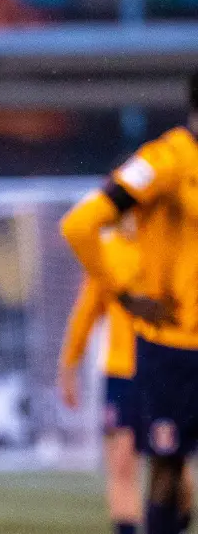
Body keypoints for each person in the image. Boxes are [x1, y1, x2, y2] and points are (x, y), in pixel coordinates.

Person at [60, 74, 198, 534]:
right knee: (160, 470)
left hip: (172, 352)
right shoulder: (165, 161)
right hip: (169, 350)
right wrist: (123, 294)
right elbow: (81, 225)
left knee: (174, 477)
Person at [58, 230, 152, 534]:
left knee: (173, 468)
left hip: (167, 369)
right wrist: (69, 365)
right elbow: (86, 311)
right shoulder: (107, 252)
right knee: (121, 463)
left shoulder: (173, 242)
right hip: (121, 372)